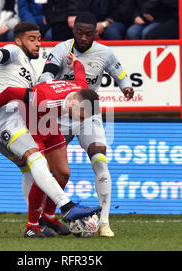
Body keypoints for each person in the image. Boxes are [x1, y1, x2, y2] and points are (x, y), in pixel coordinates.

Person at [0, 22, 100, 238]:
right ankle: (59, 210)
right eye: (32, 39)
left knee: (54, 171)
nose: (38, 44)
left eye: (39, 39)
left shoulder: (74, 89)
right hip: (4, 116)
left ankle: (44, 219)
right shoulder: (15, 52)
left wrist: (77, 63)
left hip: (30, 118)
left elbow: (81, 80)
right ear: (18, 40)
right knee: (36, 163)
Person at [38, 12, 135, 237]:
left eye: (88, 34)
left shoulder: (105, 53)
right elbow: (46, 76)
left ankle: (104, 223)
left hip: (88, 115)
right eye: (79, 33)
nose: (83, 37)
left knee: (100, 159)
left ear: (96, 33)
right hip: (61, 115)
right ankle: (42, 218)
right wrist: (53, 91)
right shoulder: (62, 49)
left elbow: (121, 75)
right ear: (74, 32)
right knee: (47, 169)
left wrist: (126, 88)